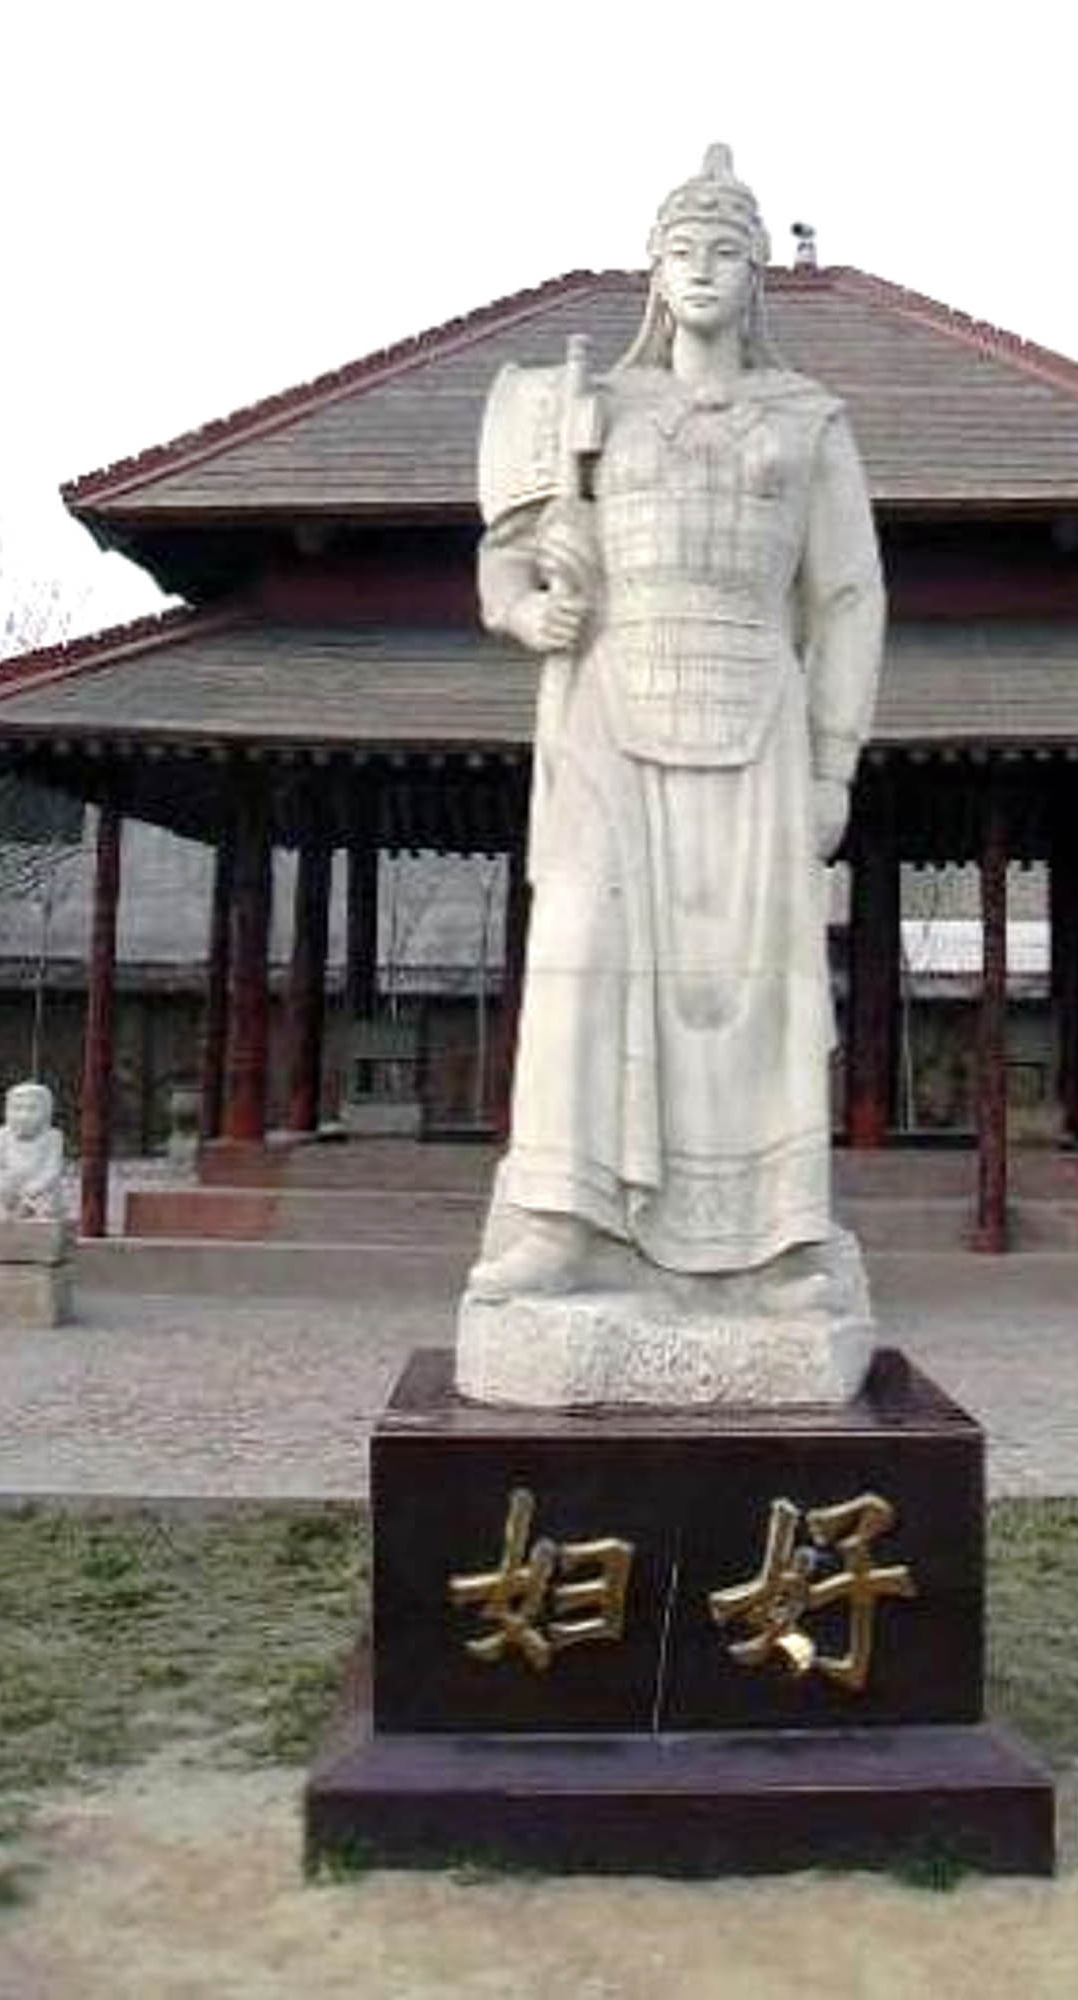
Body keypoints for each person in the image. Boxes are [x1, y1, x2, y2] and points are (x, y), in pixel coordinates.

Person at [468, 145, 885, 1303]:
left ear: (758, 273)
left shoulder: (810, 421)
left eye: (726, 252)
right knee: (583, 959)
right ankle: (563, 1216)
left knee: (752, 979)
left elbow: (848, 596)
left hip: (756, 705)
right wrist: (531, 607)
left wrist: (832, 764)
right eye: (682, 250)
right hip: (608, 695)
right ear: (653, 270)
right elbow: (508, 556)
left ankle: (779, 1232)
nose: (702, 271)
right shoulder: (590, 406)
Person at [0, 1081, 65, 1221]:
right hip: (10, 1189)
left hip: (39, 1191)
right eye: (17, 1108)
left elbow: (53, 1169)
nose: (24, 1115)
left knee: (46, 1207)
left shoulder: (53, 1137)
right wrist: (1, 1185)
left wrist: (36, 1186)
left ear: (46, 1111)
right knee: (2, 1205)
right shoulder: (0, 1135)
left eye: (32, 1109)